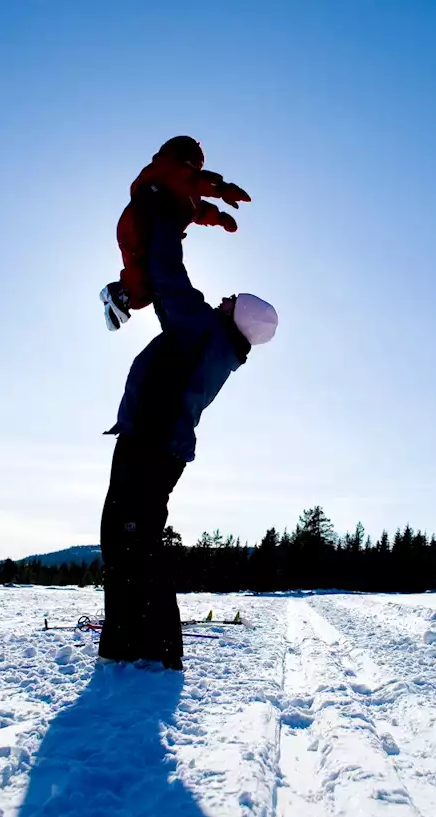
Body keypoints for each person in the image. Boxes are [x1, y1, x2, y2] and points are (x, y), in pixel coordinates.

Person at [97, 198, 277, 668]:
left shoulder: (205, 330)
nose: (224, 300)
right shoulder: (220, 344)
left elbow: (169, 278)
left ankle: (149, 651)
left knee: (131, 542)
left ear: (240, 317)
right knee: (129, 540)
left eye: (232, 301)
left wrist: (166, 219)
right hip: (156, 443)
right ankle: (133, 646)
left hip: (150, 443)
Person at [100, 135, 251, 331]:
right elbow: (197, 182)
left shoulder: (188, 195)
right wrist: (223, 189)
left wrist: (220, 218)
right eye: (193, 162)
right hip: (140, 222)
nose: (194, 167)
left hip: (154, 231)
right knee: (143, 269)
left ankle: (119, 301)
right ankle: (118, 293)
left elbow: (200, 211)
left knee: (150, 284)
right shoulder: (169, 172)